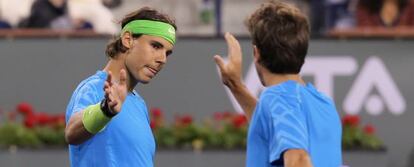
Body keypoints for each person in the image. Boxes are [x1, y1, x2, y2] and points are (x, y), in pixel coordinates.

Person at [214, 1, 342, 167]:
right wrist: (236, 86)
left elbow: (298, 159)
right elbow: (270, 127)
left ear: (256, 53)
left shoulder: (276, 99)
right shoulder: (325, 104)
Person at [64, 7, 176, 167]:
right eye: (156, 46)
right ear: (128, 39)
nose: (162, 59)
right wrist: (105, 110)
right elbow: (71, 133)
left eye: (168, 53)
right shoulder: (93, 88)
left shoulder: (139, 104)